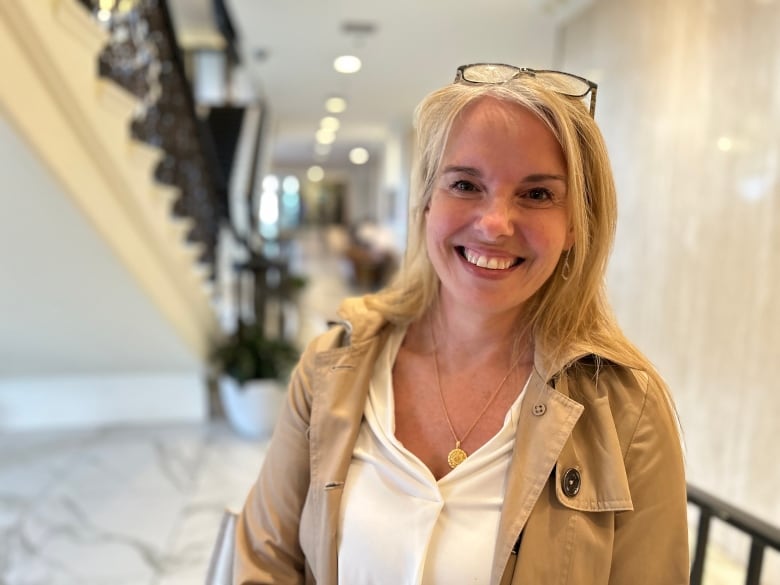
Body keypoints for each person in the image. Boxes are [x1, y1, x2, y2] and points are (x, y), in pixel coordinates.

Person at [233, 63, 689, 584]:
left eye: (537, 194)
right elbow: (263, 561)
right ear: (427, 201)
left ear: (575, 226)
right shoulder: (331, 366)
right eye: (466, 184)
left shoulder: (630, 413)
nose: (495, 223)